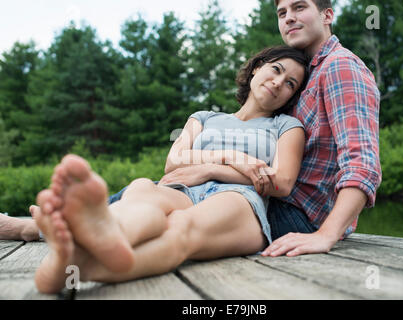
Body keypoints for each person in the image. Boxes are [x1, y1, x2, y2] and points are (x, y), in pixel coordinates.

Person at [33, 45, 310, 293]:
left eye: (290, 83)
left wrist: (209, 170)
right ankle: (106, 233)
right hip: (183, 188)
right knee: (142, 189)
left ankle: (78, 268)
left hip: (239, 199)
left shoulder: (286, 126)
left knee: (180, 227)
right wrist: (230, 157)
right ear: (257, 68)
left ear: (290, 96)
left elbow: (282, 182)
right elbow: (174, 161)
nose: (278, 82)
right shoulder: (204, 117)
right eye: (276, 69)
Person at [259, 0, 381, 257]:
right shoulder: (301, 79)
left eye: (299, 7)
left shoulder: (339, 66)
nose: (289, 18)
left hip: (297, 218)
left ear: (327, 15)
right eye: (282, 13)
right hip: (275, 203)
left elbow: (362, 164)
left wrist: (326, 235)